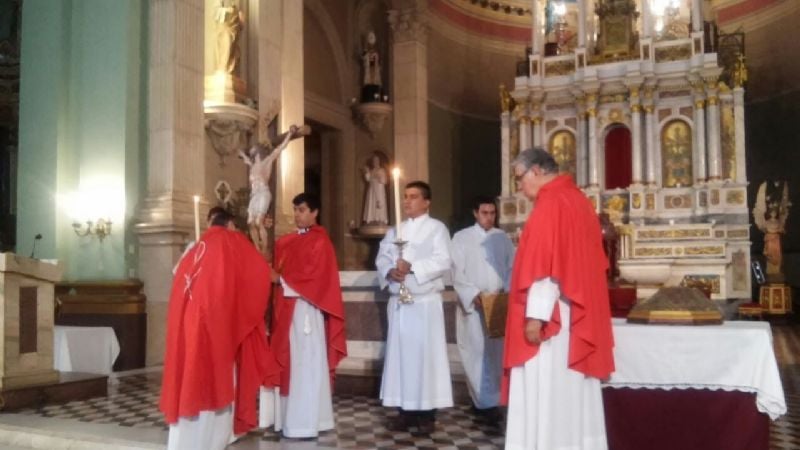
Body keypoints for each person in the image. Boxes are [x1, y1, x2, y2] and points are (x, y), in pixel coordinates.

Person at [503, 148, 614, 450]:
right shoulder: (577, 199)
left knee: (548, 391)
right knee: (571, 392)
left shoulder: (550, 203)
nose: (519, 187)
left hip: (552, 318)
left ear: (536, 171)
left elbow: (544, 267)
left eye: (520, 178)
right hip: (572, 314)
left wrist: (535, 317)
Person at [160, 209, 280, 450]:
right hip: (217, 327)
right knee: (214, 380)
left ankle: (183, 442)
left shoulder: (194, 250)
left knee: (190, 375)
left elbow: (179, 278)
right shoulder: (230, 241)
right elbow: (258, 271)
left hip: (189, 324)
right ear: (231, 225)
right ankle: (213, 441)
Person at [259, 193, 347, 438]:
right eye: (295, 210)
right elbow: (272, 265)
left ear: (315, 212)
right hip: (285, 311)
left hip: (306, 310)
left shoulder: (321, 242)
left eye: (302, 210)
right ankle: (287, 419)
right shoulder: (287, 241)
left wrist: (280, 280)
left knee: (305, 364)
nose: (297, 215)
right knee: (289, 363)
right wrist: (264, 238)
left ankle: (306, 422)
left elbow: (315, 279)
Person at [375, 181, 453, 433]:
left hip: (424, 303)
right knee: (401, 358)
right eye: (405, 196)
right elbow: (382, 257)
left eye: (414, 196)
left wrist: (413, 267)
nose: (407, 201)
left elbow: (443, 260)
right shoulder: (394, 231)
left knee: (425, 358)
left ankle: (427, 414)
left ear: (427, 202)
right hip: (399, 303)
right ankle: (404, 410)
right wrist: (389, 271)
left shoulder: (436, 228)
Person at [451, 196, 515, 419]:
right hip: (474, 305)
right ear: (475, 213)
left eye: (492, 213)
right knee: (475, 352)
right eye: (484, 213)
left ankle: (494, 401)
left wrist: (506, 291)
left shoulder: (502, 238)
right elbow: (456, 271)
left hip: (497, 303)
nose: (489, 217)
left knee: (496, 354)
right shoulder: (462, 238)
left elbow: (511, 267)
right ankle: (481, 403)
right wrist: (473, 294)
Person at [239, 125, 298, 255]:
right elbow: (246, 159)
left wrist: (290, 134)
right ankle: (257, 249)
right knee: (250, 223)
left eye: (254, 150)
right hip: (254, 195)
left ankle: (264, 250)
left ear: (258, 152)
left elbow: (280, 148)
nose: (252, 152)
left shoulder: (267, 161)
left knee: (259, 222)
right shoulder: (253, 165)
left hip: (263, 193)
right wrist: (241, 153)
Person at [362, 154, 389, 225]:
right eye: (374, 161)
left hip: (379, 189)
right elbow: (368, 179)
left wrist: (379, 177)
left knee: (379, 203)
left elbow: (384, 181)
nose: (375, 162)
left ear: (379, 161)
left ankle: (380, 219)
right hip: (372, 190)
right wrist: (367, 172)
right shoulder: (372, 171)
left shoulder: (381, 170)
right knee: (371, 203)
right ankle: (371, 219)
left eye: (376, 160)